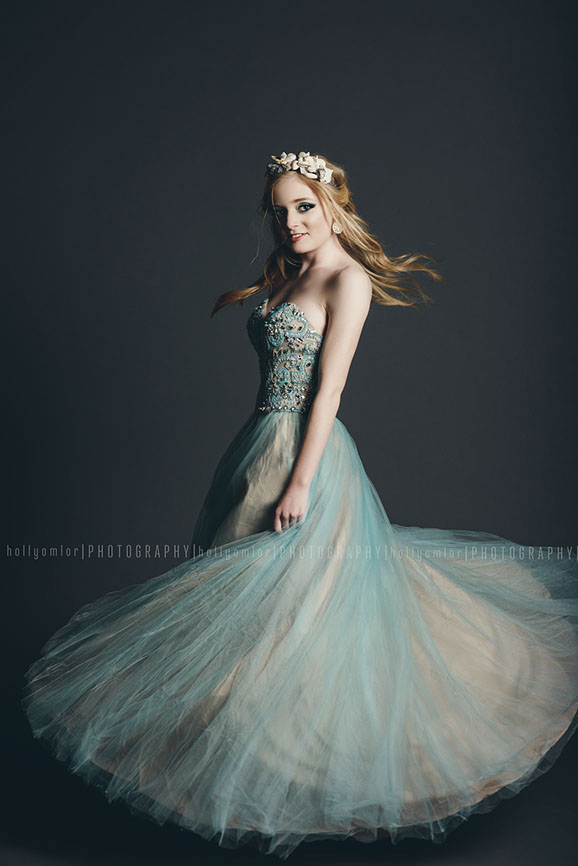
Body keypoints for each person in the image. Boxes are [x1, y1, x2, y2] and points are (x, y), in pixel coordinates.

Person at [23, 151, 578, 861]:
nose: (290, 223)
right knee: (242, 614)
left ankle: (317, 783)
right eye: (279, 212)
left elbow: (331, 392)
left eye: (304, 206)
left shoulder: (348, 280)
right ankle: (249, 766)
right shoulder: (293, 275)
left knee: (299, 614)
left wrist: (300, 481)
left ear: (333, 203)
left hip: (302, 456)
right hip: (257, 445)